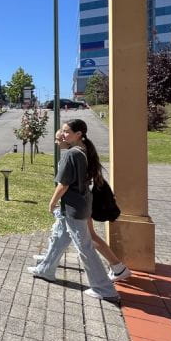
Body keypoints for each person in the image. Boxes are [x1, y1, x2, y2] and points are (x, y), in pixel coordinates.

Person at [27, 119, 118, 300]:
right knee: (60, 236)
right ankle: (46, 270)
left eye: (67, 131)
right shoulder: (84, 150)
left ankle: (104, 288)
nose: (63, 134)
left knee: (85, 247)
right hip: (80, 205)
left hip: (74, 207)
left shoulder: (71, 154)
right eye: (63, 131)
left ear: (78, 134)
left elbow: (63, 184)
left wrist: (52, 202)